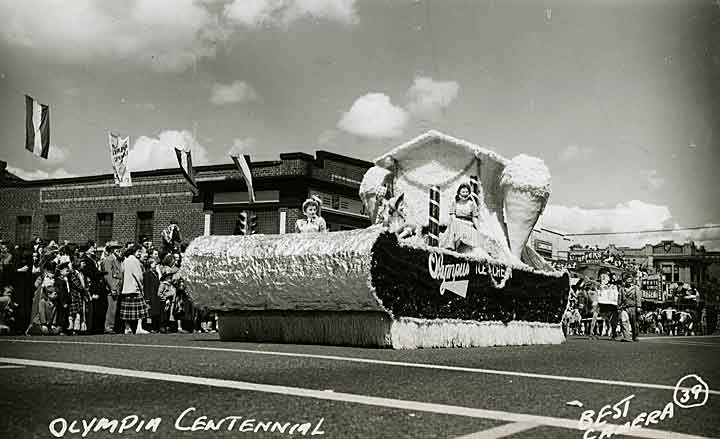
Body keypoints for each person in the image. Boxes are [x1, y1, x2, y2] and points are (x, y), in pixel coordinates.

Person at [119, 244, 149, 334]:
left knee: (127, 311)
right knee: (140, 310)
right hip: (135, 288)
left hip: (125, 289)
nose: (140, 254)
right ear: (135, 252)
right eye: (139, 251)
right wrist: (141, 287)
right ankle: (139, 328)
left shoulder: (125, 260)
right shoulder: (135, 261)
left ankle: (127, 328)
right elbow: (138, 276)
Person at [590, 267, 619, 341]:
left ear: (609, 277)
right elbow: (594, 293)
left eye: (605, 276)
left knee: (613, 319)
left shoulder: (613, 286)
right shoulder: (597, 285)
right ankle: (591, 333)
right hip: (600, 303)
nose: (603, 277)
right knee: (594, 318)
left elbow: (615, 295)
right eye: (602, 275)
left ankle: (613, 333)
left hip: (611, 304)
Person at [102, 241, 124, 334]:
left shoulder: (118, 260)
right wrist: (113, 288)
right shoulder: (109, 260)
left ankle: (113, 326)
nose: (119, 250)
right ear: (111, 250)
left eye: (119, 248)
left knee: (115, 308)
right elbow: (108, 275)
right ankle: (108, 327)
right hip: (113, 287)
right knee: (112, 308)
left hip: (119, 287)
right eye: (116, 248)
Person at [619, 272, 642, 342]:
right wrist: (618, 307)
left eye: (630, 280)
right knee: (624, 322)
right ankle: (627, 337)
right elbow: (619, 298)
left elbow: (638, 297)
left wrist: (638, 306)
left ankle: (635, 336)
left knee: (634, 323)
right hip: (625, 307)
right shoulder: (622, 289)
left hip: (633, 307)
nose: (628, 281)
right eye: (627, 280)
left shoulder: (635, 288)